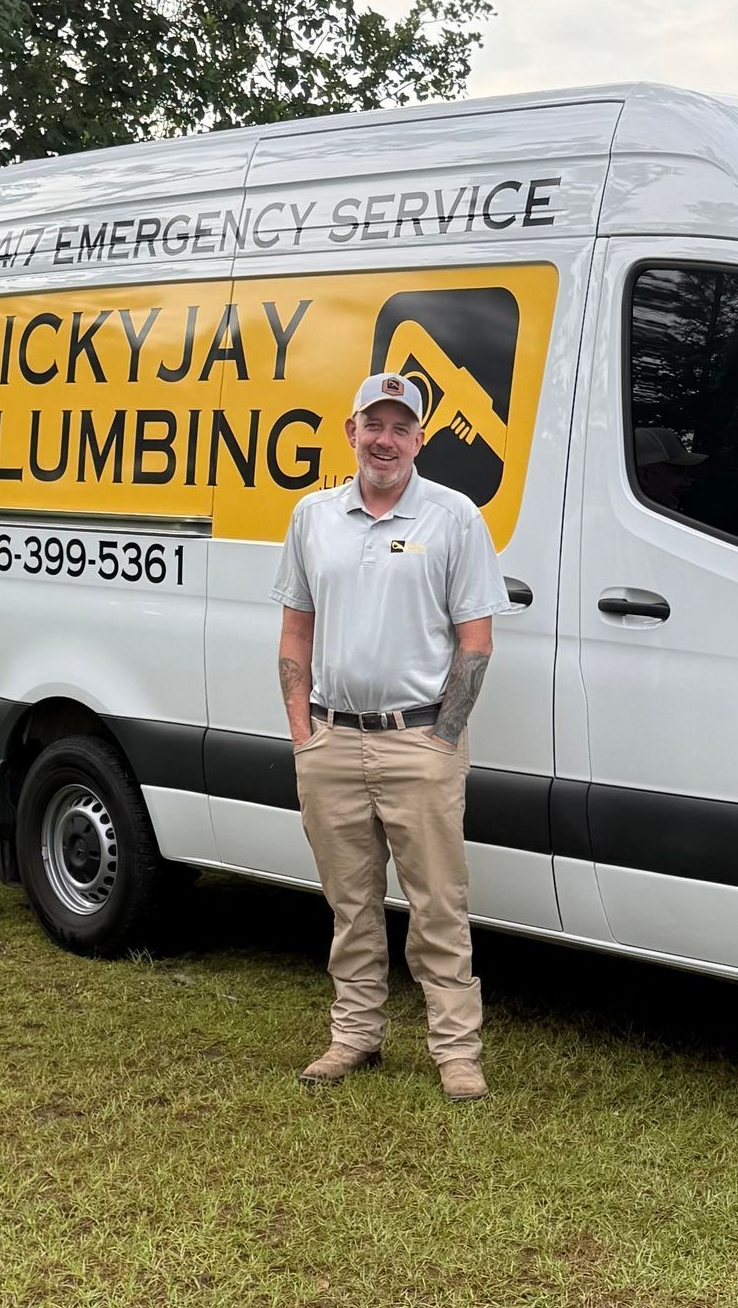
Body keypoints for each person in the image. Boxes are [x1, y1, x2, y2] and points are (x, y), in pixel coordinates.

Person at [272, 371, 507, 1101]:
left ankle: (456, 1051)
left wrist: (445, 739)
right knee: (350, 904)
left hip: (418, 742)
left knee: (439, 904)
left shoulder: (454, 517)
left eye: (401, 426)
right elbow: (295, 627)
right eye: (373, 424)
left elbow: (476, 641)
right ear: (351, 433)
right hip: (332, 741)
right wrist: (301, 731)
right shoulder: (313, 516)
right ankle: (354, 1036)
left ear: (420, 439)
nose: (386, 439)